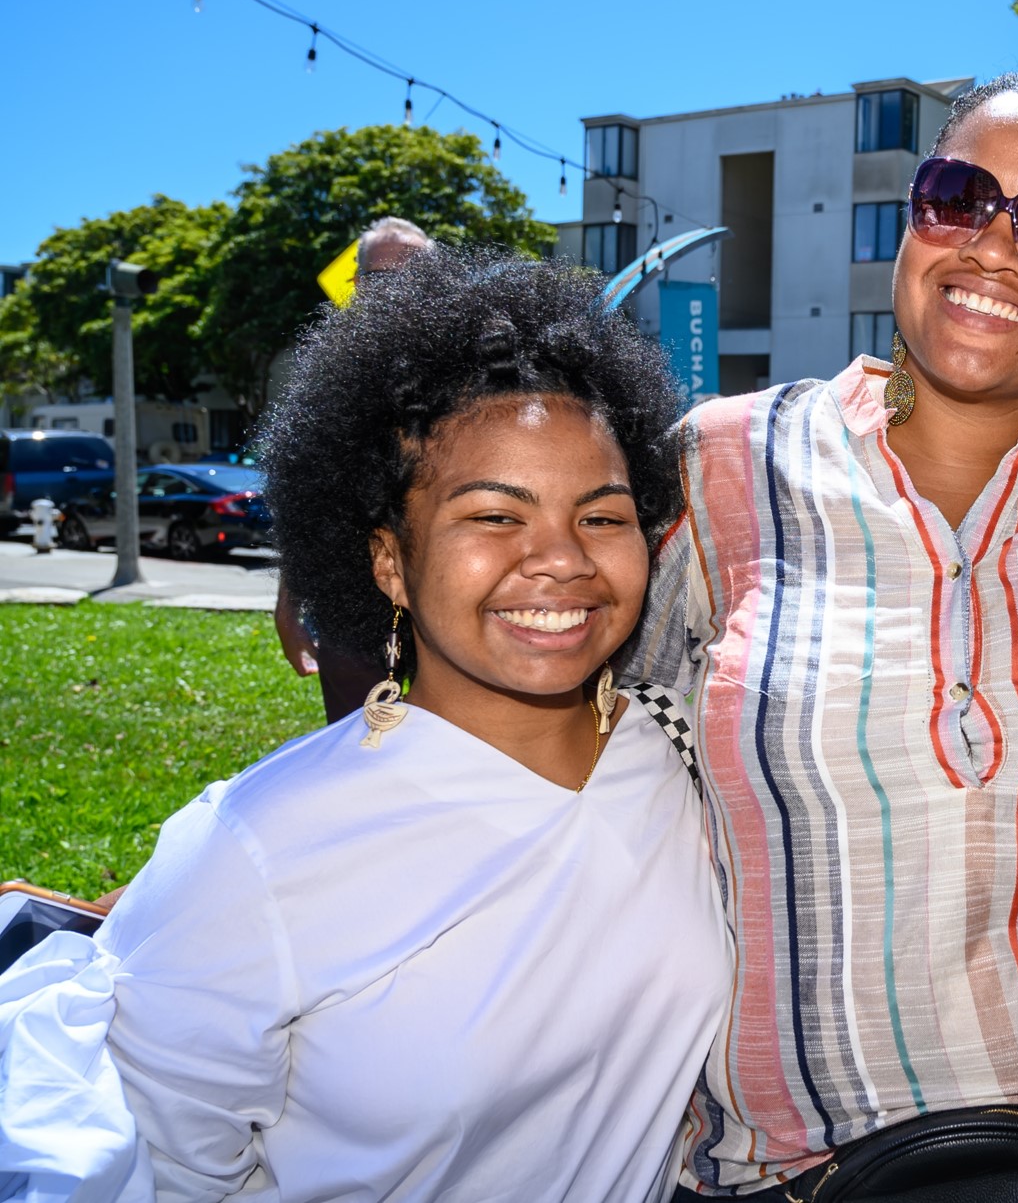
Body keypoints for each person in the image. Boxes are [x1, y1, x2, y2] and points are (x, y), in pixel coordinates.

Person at [624, 70, 1018, 1200]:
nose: (1000, 247)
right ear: (914, 224)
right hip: (788, 1169)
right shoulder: (718, 463)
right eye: (961, 196)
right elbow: (586, 761)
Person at [0, 249, 728, 1200]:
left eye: (602, 515)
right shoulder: (257, 848)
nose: (559, 559)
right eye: (493, 516)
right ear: (388, 561)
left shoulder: (689, 762)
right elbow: (157, 1172)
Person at [272, 215, 435, 723]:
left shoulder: (468, 363)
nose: (395, 292)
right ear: (358, 284)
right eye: (381, 278)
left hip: (446, 589)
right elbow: (307, 495)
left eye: (412, 277)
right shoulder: (328, 374)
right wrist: (288, 606)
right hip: (352, 598)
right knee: (358, 743)